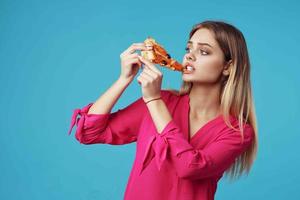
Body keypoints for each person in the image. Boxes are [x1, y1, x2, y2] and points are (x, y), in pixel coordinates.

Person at [68, 20, 258, 200]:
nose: (189, 56)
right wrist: (124, 79)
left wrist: (153, 99)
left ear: (227, 66)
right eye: (188, 48)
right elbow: (88, 133)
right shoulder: (163, 101)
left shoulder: (237, 132)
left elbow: (190, 167)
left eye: (204, 52)